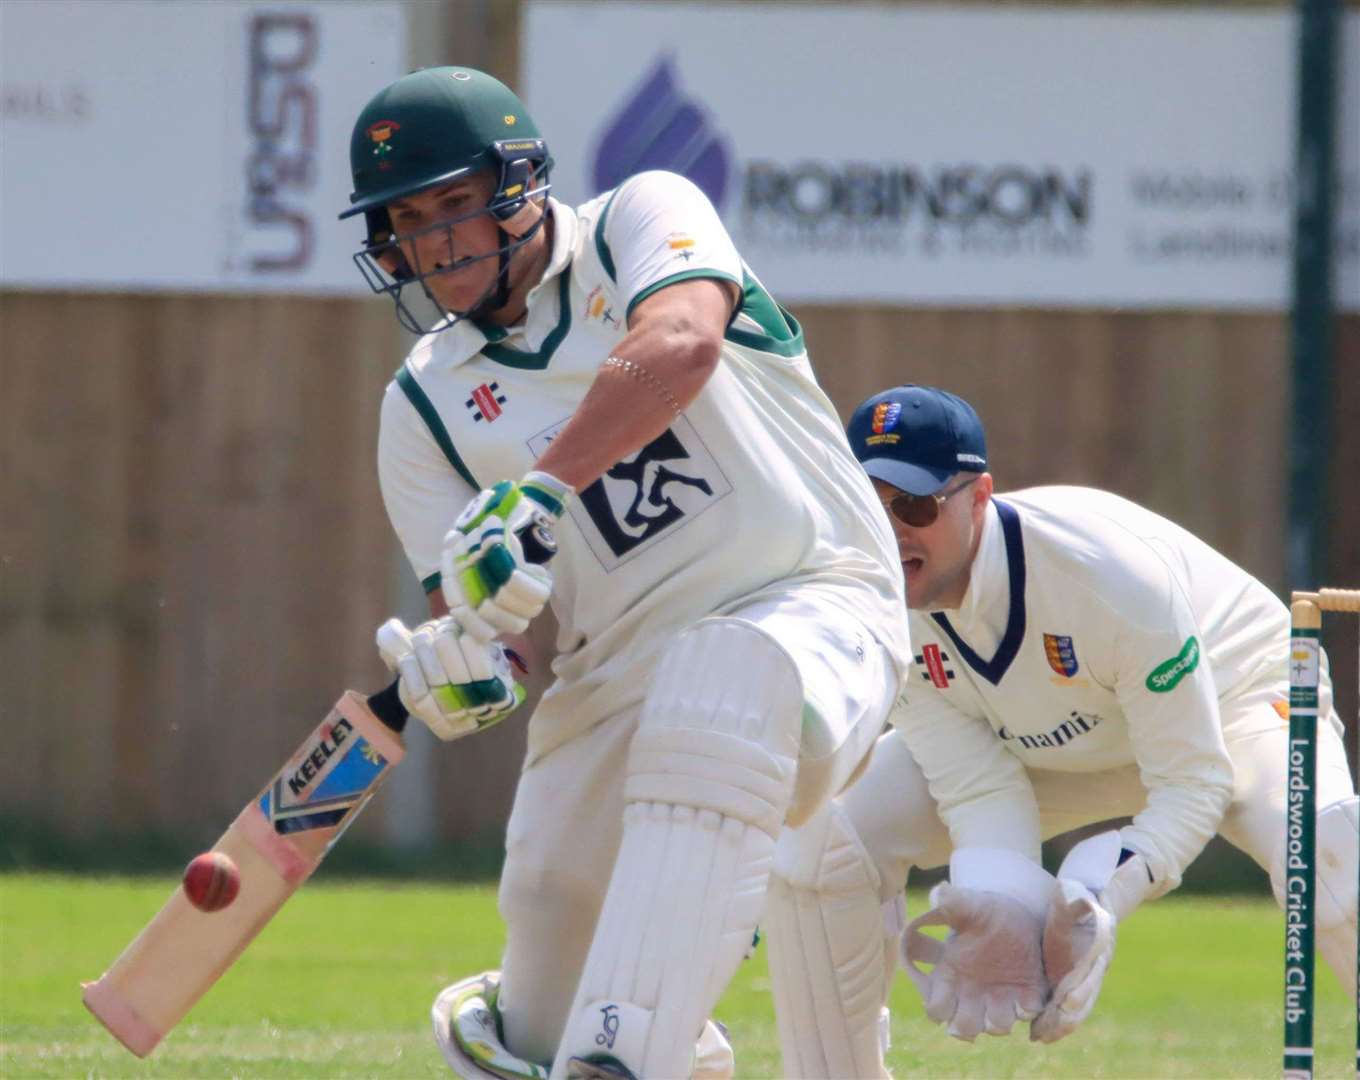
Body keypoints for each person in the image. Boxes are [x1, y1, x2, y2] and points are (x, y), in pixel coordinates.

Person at [338, 67, 912, 1079]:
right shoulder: (419, 408)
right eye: (409, 219)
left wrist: (542, 490)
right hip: (614, 681)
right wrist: (463, 665)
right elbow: (490, 631)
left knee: (720, 693)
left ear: (517, 183)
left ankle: (638, 1046)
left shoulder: (638, 217)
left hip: (812, 601)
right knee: (544, 1012)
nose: (435, 241)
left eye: (456, 203)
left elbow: (683, 340)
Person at [763, 384, 1358, 1075]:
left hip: (1238, 703)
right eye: (870, 505)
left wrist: (1103, 890)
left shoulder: (1107, 575)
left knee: (1328, 851)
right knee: (823, 844)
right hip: (1050, 742)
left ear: (979, 495)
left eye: (917, 505)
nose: (893, 533)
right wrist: (1001, 899)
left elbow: (1194, 780)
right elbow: (977, 783)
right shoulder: (878, 602)